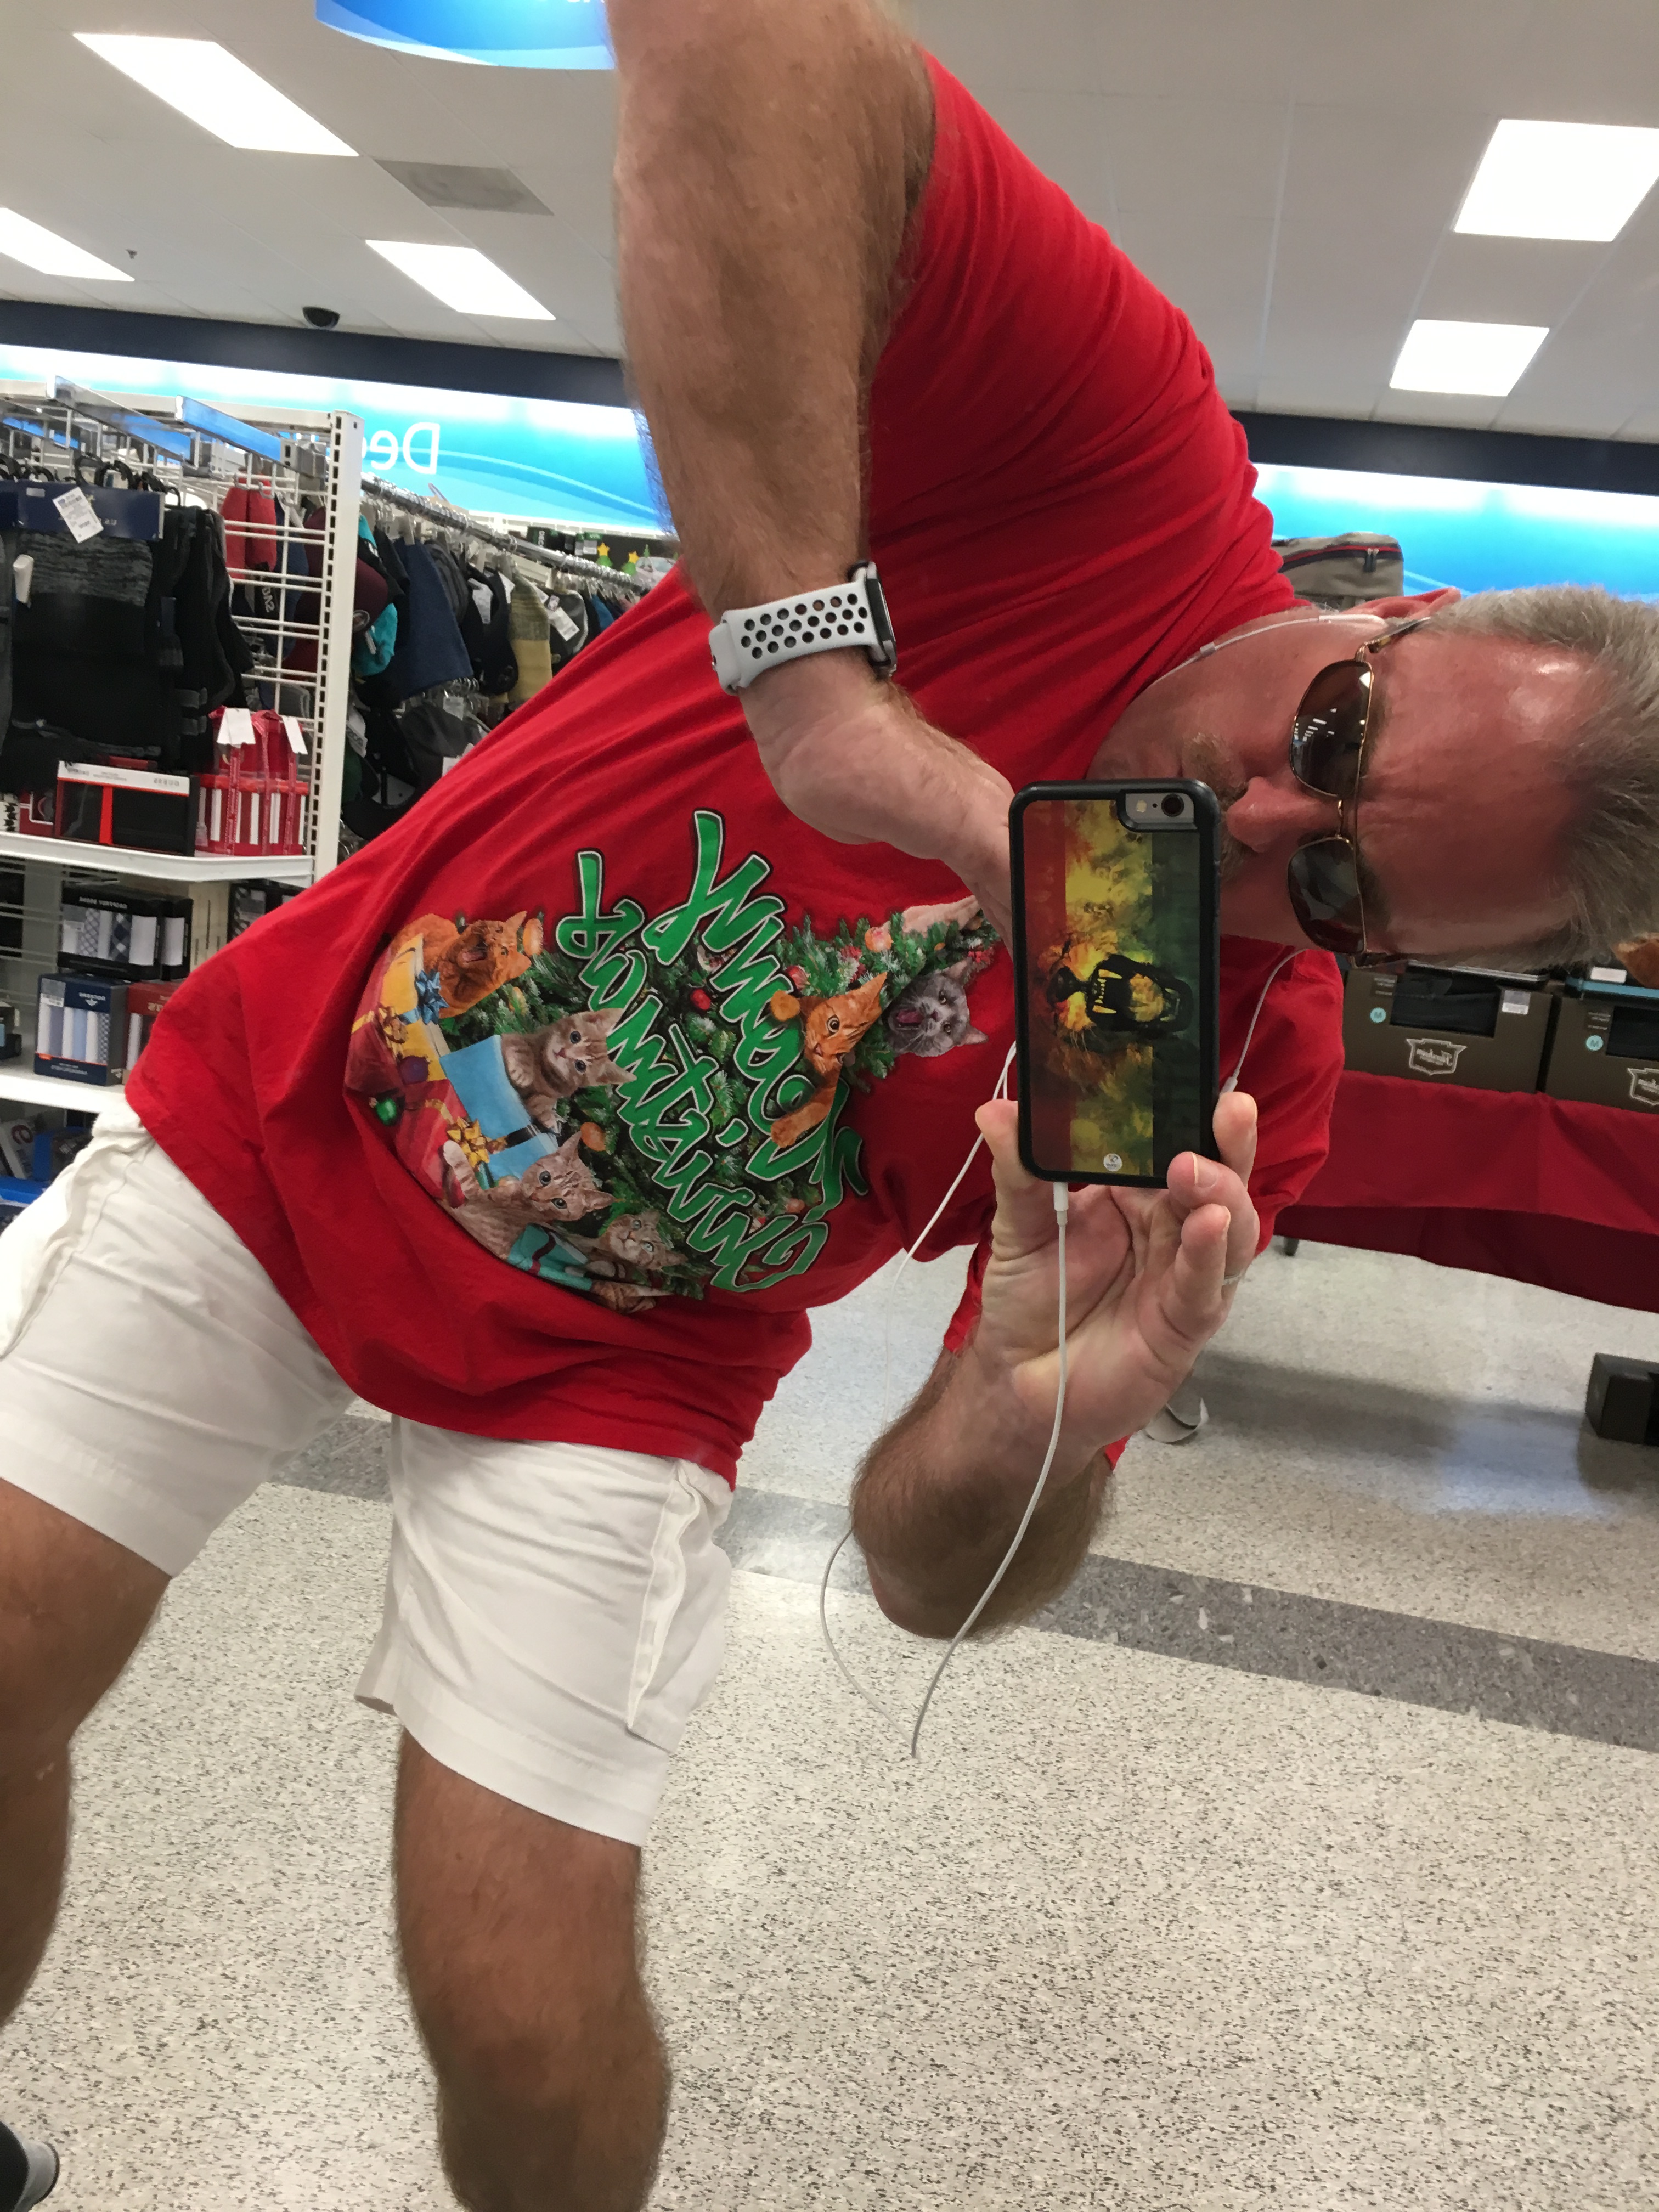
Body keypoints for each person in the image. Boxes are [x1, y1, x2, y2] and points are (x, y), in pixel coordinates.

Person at [2, 4, 1656, 2208]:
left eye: (1336, 882)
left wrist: (1024, 1397)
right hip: (288, 1103)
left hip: (625, 1359)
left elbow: (924, 1577)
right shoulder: (1121, 480)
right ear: (1401, 612)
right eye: (1340, 733)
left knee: (520, 2007)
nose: (1257, 813)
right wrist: (815, 679)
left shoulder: (1226, 1051)